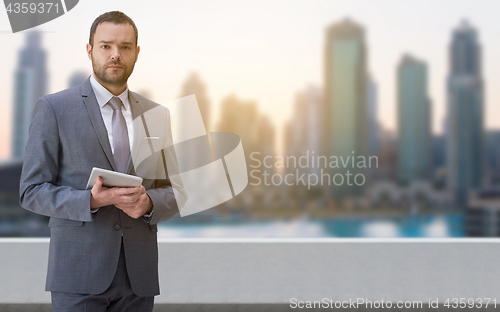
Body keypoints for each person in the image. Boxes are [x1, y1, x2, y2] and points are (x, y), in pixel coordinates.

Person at [19, 11, 184, 312]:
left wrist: (148, 203)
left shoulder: (157, 115)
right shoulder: (54, 108)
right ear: (90, 50)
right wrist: (90, 201)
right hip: (78, 275)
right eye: (106, 46)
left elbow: (177, 191)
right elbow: (31, 191)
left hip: (138, 278)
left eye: (124, 47)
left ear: (136, 53)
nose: (115, 55)